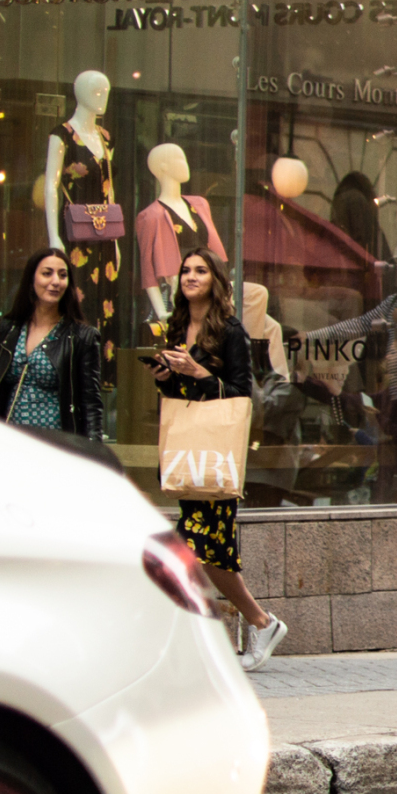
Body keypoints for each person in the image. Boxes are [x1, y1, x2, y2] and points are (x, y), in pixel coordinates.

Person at [151, 251, 285, 669]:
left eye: (200, 271)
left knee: (195, 549)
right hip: (190, 450)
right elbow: (179, 394)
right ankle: (249, 625)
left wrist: (198, 373)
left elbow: (244, 395)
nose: (191, 277)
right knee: (210, 551)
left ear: (215, 280)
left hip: (216, 453)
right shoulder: (176, 326)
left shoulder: (230, 330)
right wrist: (166, 377)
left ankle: (257, 621)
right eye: (186, 271)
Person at [0, 248, 106, 441]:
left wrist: (94, 456)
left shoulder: (82, 337)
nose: (56, 281)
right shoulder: (10, 329)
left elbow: (91, 404)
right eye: (47, 273)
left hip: (55, 446)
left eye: (63, 275)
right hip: (9, 441)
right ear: (31, 280)